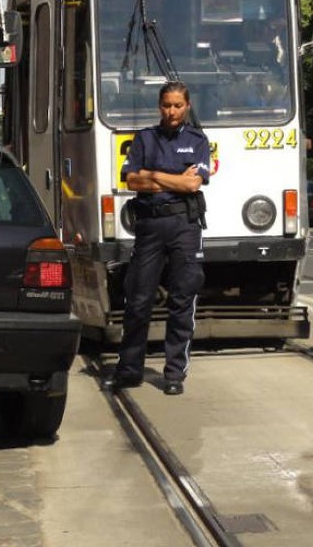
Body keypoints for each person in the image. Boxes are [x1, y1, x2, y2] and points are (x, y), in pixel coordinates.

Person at [102, 81, 210, 396]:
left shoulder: (198, 140)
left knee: (182, 298)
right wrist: (172, 178)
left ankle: (174, 373)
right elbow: (131, 179)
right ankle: (130, 370)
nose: (171, 111)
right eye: (166, 105)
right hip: (149, 226)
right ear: (159, 106)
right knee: (138, 299)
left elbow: (193, 186)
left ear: (186, 106)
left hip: (184, 225)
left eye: (177, 105)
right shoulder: (145, 139)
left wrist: (155, 176)